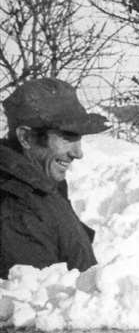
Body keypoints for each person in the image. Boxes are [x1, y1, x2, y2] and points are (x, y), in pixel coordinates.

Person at [1, 77, 109, 278]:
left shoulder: (40, 185)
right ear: (26, 137)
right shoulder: (17, 209)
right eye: (67, 136)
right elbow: (35, 302)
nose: (78, 153)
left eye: (79, 138)